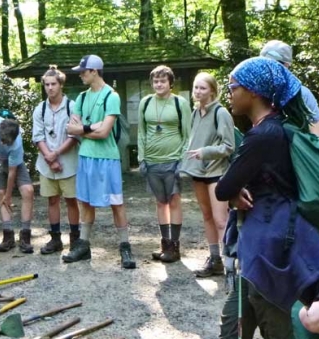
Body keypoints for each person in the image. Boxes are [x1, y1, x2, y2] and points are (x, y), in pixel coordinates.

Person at [168, 57, 319, 339]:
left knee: (276, 332)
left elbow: (225, 188)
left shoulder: (264, 136)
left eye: (235, 85)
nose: (231, 91)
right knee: (235, 323)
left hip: (267, 248)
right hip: (269, 244)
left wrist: (236, 187)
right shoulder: (277, 130)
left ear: (255, 93)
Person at [64, 54, 136, 269]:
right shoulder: (81, 98)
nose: (80, 75)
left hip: (107, 158)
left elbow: (105, 132)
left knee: (116, 202)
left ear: (94, 71)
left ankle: (125, 247)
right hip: (86, 157)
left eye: (83, 71)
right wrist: (89, 128)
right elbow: (71, 128)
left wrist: (84, 129)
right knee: (84, 201)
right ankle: (84, 245)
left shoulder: (111, 96)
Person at [181, 72, 236, 276]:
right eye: (196, 87)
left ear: (212, 91)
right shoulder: (196, 112)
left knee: (221, 220)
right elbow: (192, 141)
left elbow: (228, 146)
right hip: (198, 172)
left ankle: (231, 265)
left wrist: (205, 152)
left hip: (216, 171)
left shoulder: (220, 113)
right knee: (206, 216)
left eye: (202, 88)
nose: (198, 91)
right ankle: (215, 259)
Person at [136, 65, 191, 263]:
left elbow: (188, 133)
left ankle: (175, 247)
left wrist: (182, 162)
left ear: (170, 83)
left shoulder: (180, 103)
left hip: (173, 160)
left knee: (174, 201)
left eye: (163, 81)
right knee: (160, 202)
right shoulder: (145, 103)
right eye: (155, 81)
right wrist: (141, 158)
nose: (159, 84)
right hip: (152, 161)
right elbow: (141, 132)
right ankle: (165, 244)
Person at [32, 65, 81, 255]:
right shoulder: (40, 108)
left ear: (61, 85)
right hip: (46, 164)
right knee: (52, 200)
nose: (50, 88)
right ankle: (55, 239)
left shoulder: (72, 106)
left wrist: (56, 154)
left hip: (69, 163)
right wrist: (50, 158)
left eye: (53, 84)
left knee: (71, 200)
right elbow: (37, 136)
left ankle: (75, 239)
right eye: (47, 84)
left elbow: (75, 135)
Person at [0, 111, 35, 253]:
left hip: (11, 162)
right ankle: (8, 236)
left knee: (28, 191)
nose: (1, 142)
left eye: (5, 142)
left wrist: (9, 195)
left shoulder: (16, 145)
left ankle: (25, 236)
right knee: (0, 194)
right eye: (1, 139)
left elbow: (12, 173)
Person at [260, 40, 319, 137]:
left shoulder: (301, 93)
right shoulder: (254, 91)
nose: (270, 67)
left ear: (287, 65)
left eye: (276, 63)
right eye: (264, 62)